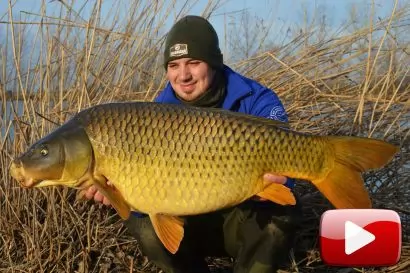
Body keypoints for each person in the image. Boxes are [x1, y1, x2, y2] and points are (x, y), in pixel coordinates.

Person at [81, 15, 302, 273]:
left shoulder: (255, 100)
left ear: (214, 63)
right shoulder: (155, 117)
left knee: (283, 212)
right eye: (173, 65)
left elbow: (289, 167)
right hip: (191, 227)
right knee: (142, 223)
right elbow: (145, 198)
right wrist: (116, 193)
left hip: (242, 221)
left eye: (193, 63)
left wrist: (284, 181)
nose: (183, 75)